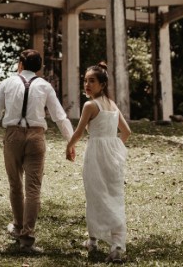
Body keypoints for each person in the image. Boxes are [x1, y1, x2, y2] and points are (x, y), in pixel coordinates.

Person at [0, 49, 75, 254]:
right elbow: (59, 116)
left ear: (20, 64)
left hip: (13, 136)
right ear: (39, 68)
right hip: (36, 137)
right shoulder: (45, 86)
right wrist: (70, 142)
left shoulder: (8, 83)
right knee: (33, 188)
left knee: (15, 184)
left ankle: (17, 226)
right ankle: (27, 237)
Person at [66, 62, 132, 263]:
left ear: (102, 84)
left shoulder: (90, 105)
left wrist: (69, 147)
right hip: (112, 155)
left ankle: (94, 240)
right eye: (85, 81)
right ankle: (116, 244)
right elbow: (127, 132)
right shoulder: (112, 105)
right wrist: (113, 147)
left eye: (92, 81)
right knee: (113, 196)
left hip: (95, 154)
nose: (87, 85)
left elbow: (78, 132)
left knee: (95, 195)